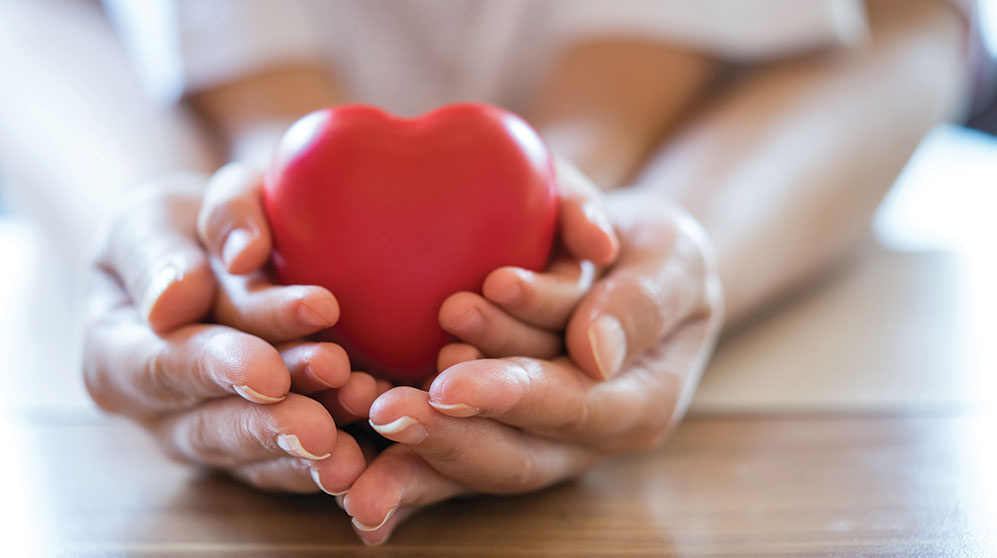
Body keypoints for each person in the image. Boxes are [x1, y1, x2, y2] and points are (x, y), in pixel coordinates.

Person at [1, 0, 982, 547]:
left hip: (719, 141)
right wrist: (162, 247)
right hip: (143, 111)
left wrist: (675, 259)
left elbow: (910, 26)